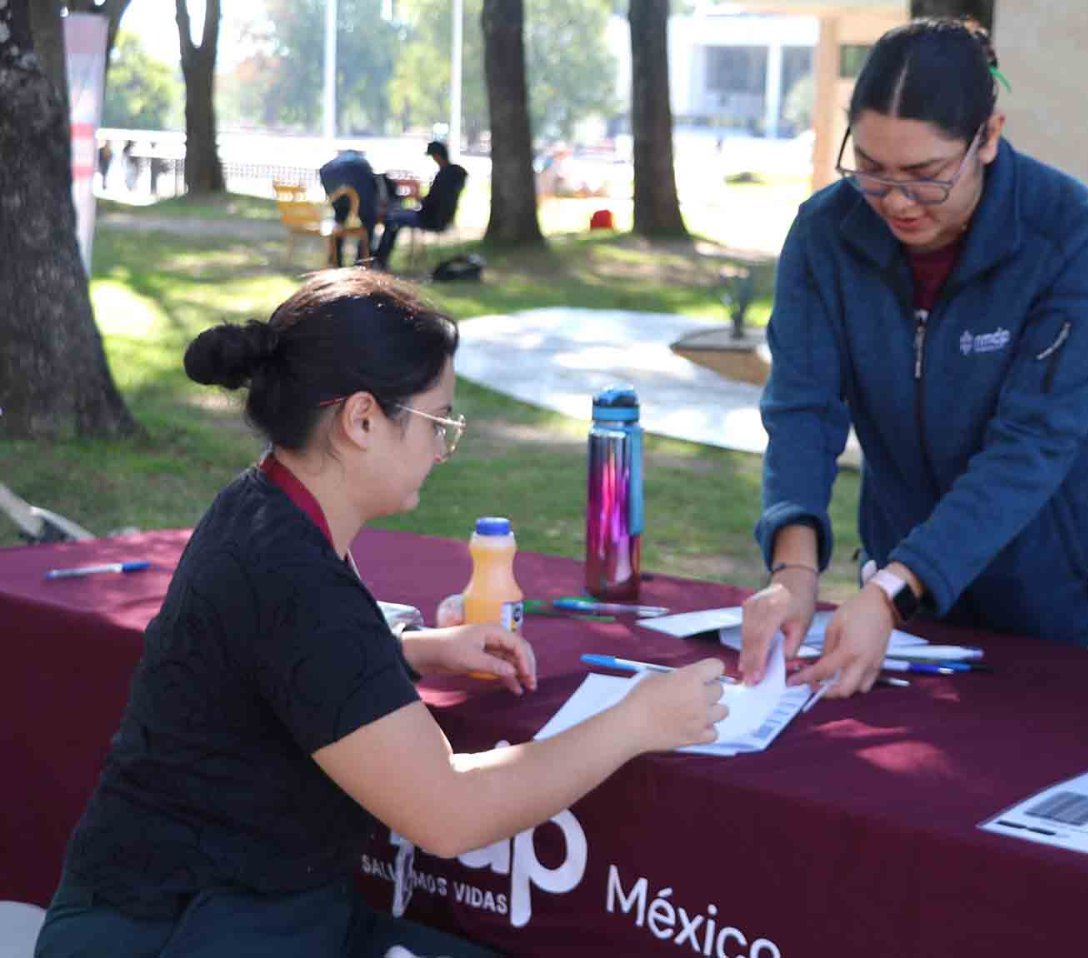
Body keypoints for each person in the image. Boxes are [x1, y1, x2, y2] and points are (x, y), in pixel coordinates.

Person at [35, 270, 728, 957]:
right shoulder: (292, 574)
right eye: (438, 422)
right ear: (361, 419)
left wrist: (414, 650)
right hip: (184, 927)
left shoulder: (264, 505)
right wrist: (639, 719)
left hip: (231, 905)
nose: (442, 447)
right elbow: (450, 814)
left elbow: (280, 668)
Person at [739, 19, 1088, 698]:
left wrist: (892, 592)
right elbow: (802, 411)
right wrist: (791, 575)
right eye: (871, 168)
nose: (895, 200)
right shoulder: (824, 235)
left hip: (1087, 603)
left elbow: (1032, 445)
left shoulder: (1072, 234)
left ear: (989, 137)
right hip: (916, 606)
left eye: (925, 175)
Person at [374, 140, 468, 268]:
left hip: (429, 219)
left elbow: (431, 202)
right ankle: (380, 258)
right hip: (445, 218)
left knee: (392, 219)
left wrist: (416, 198)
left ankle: (380, 259)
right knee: (398, 216)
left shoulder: (443, 176)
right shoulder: (455, 174)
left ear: (437, 156)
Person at [319, 148, 384, 267]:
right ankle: (362, 261)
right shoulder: (361, 163)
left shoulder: (334, 164)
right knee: (369, 222)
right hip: (361, 196)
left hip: (338, 194)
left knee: (339, 220)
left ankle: (336, 260)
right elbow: (374, 188)